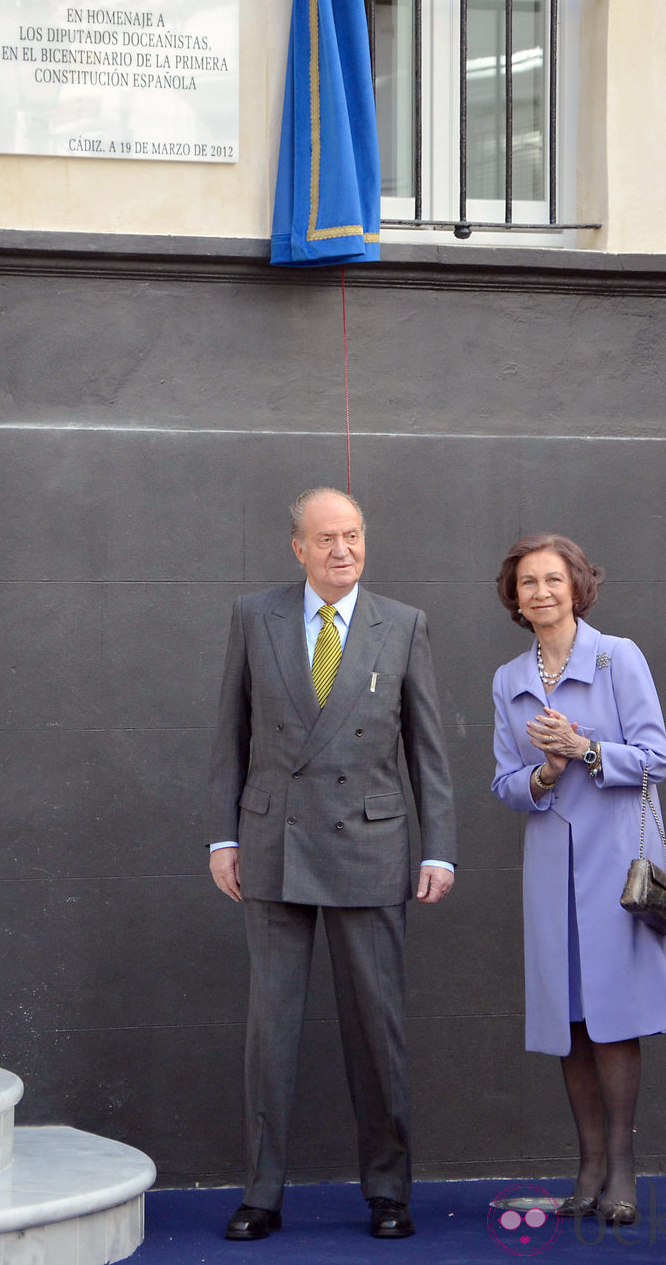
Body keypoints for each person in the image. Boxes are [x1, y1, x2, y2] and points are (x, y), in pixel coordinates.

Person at [208, 486, 456, 1241]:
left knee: (376, 1030)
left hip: (370, 845)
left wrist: (438, 845)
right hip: (273, 844)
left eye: (352, 535)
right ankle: (260, 1191)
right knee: (269, 1031)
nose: (342, 549)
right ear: (298, 547)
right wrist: (224, 838)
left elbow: (428, 749)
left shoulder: (403, 625)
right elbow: (230, 734)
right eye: (326, 538)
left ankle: (388, 1190)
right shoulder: (255, 615)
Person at [491, 533, 666, 1229]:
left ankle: (624, 1167)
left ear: (577, 586)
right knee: (569, 1019)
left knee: (613, 1014)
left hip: (613, 862)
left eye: (553, 579)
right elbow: (505, 783)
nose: (540, 592)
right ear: (514, 597)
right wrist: (543, 770)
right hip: (550, 866)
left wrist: (586, 749)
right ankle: (589, 1163)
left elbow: (656, 755)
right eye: (527, 583)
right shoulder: (508, 678)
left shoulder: (615, 656)